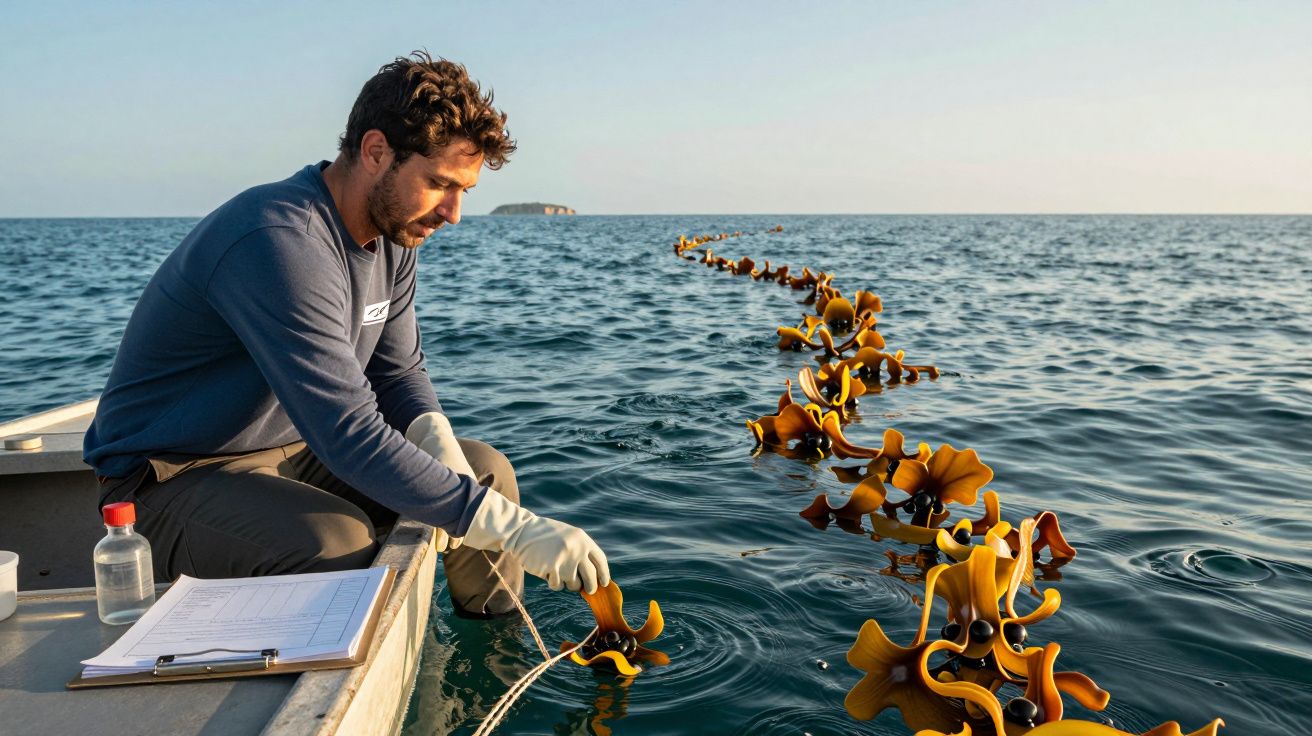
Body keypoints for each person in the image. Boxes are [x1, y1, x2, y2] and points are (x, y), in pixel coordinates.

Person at [83, 52, 608, 617]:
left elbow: (399, 375)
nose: (453, 213)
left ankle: (498, 653)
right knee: (338, 543)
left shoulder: (394, 235)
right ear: (376, 151)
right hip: (172, 478)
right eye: (438, 183)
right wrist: (512, 530)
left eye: (465, 190)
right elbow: (348, 432)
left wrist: (448, 458)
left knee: (485, 473)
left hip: (295, 448)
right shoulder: (279, 239)